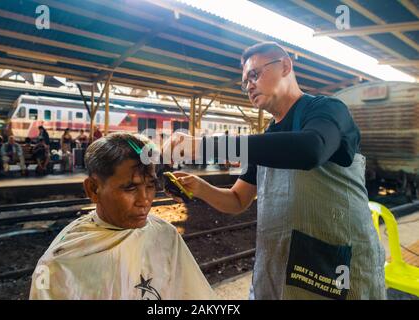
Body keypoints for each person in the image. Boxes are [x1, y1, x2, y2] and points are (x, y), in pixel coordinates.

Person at [165, 42, 385, 300]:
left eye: (254, 75)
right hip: (279, 266)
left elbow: (310, 150)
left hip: (334, 267)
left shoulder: (327, 110)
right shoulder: (268, 139)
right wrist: (200, 188)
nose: (248, 85)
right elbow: (237, 200)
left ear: (285, 66)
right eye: (245, 81)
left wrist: (205, 146)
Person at [29, 133, 215, 300]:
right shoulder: (59, 264)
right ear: (93, 189)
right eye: (130, 188)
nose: (144, 200)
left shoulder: (166, 235)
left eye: (150, 186)